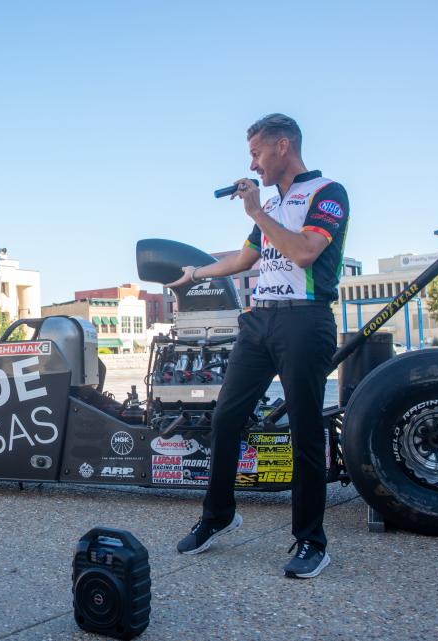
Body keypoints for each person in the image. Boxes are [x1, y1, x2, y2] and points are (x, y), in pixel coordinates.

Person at [168, 113, 349, 579]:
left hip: (305, 321)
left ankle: (311, 541)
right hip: (260, 321)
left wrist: (257, 212)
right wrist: (197, 273)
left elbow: (306, 251)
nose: (252, 162)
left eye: (255, 152)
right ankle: (219, 515)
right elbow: (247, 258)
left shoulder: (326, 192)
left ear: (282, 146)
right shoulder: (271, 202)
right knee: (226, 416)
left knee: (305, 430)